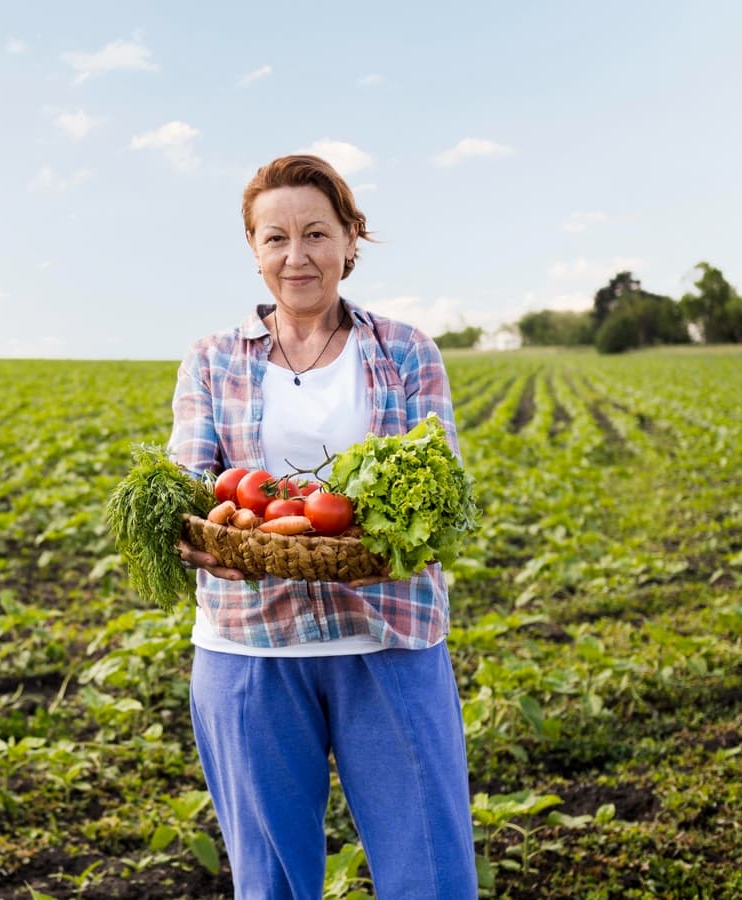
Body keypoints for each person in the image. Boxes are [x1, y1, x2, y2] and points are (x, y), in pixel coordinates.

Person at [170, 154, 478, 899]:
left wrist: (387, 539)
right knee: (269, 881)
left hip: (388, 633)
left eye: (315, 232)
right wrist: (197, 542)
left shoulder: (404, 350)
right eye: (274, 238)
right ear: (254, 251)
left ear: (349, 239)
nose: (296, 255)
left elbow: (444, 495)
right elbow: (186, 488)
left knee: (428, 873)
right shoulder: (212, 358)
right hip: (247, 644)